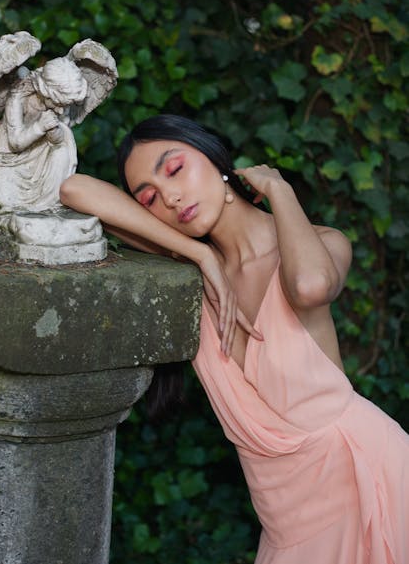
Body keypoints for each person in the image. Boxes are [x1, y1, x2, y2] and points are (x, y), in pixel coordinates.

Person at [60, 114, 408, 564]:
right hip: (289, 526)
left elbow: (309, 287)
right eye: (150, 198)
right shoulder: (189, 270)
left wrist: (280, 191)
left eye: (175, 169)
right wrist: (199, 253)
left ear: (215, 157)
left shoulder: (321, 244)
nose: (171, 197)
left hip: (370, 478)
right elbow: (72, 190)